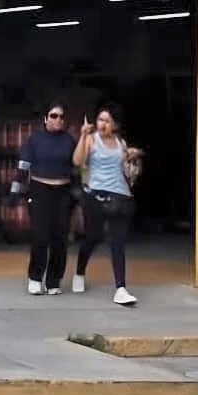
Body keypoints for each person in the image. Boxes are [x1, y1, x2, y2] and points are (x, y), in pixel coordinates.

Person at [72, 104, 144, 306]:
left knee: (117, 243)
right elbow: (77, 161)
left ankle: (120, 288)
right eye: (100, 119)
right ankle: (80, 271)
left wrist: (134, 154)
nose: (102, 124)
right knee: (93, 237)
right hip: (96, 196)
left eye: (107, 121)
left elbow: (128, 167)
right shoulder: (91, 139)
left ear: (115, 125)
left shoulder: (120, 143)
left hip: (121, 195)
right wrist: (82, 136)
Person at [13, 103, 77, 296]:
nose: (58, 120)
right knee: (40, 236)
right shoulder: (35, 140)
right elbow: (23, 166)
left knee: (60, 238)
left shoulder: (70, 141)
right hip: (40, 190)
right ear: (45, 118)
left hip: (63, 192)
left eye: (61, 117)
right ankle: (35, 277)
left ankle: (53, 280)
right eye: (54, 115)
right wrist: (14, 193)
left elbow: (78, 167)